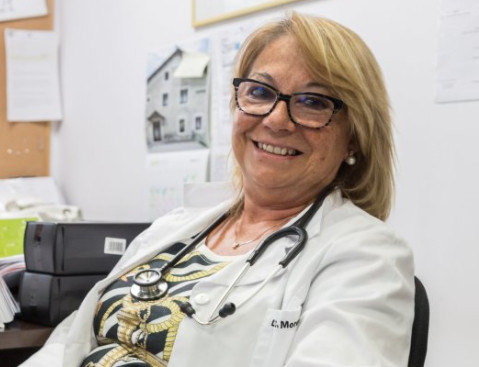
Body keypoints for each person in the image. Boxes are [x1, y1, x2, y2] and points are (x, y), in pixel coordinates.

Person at [21, 12, 414, 367]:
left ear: (354, 138)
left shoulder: (369, 258)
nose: (277, 120)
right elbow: (68, 344)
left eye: (312, 102)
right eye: (260, 92)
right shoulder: (175, 228)